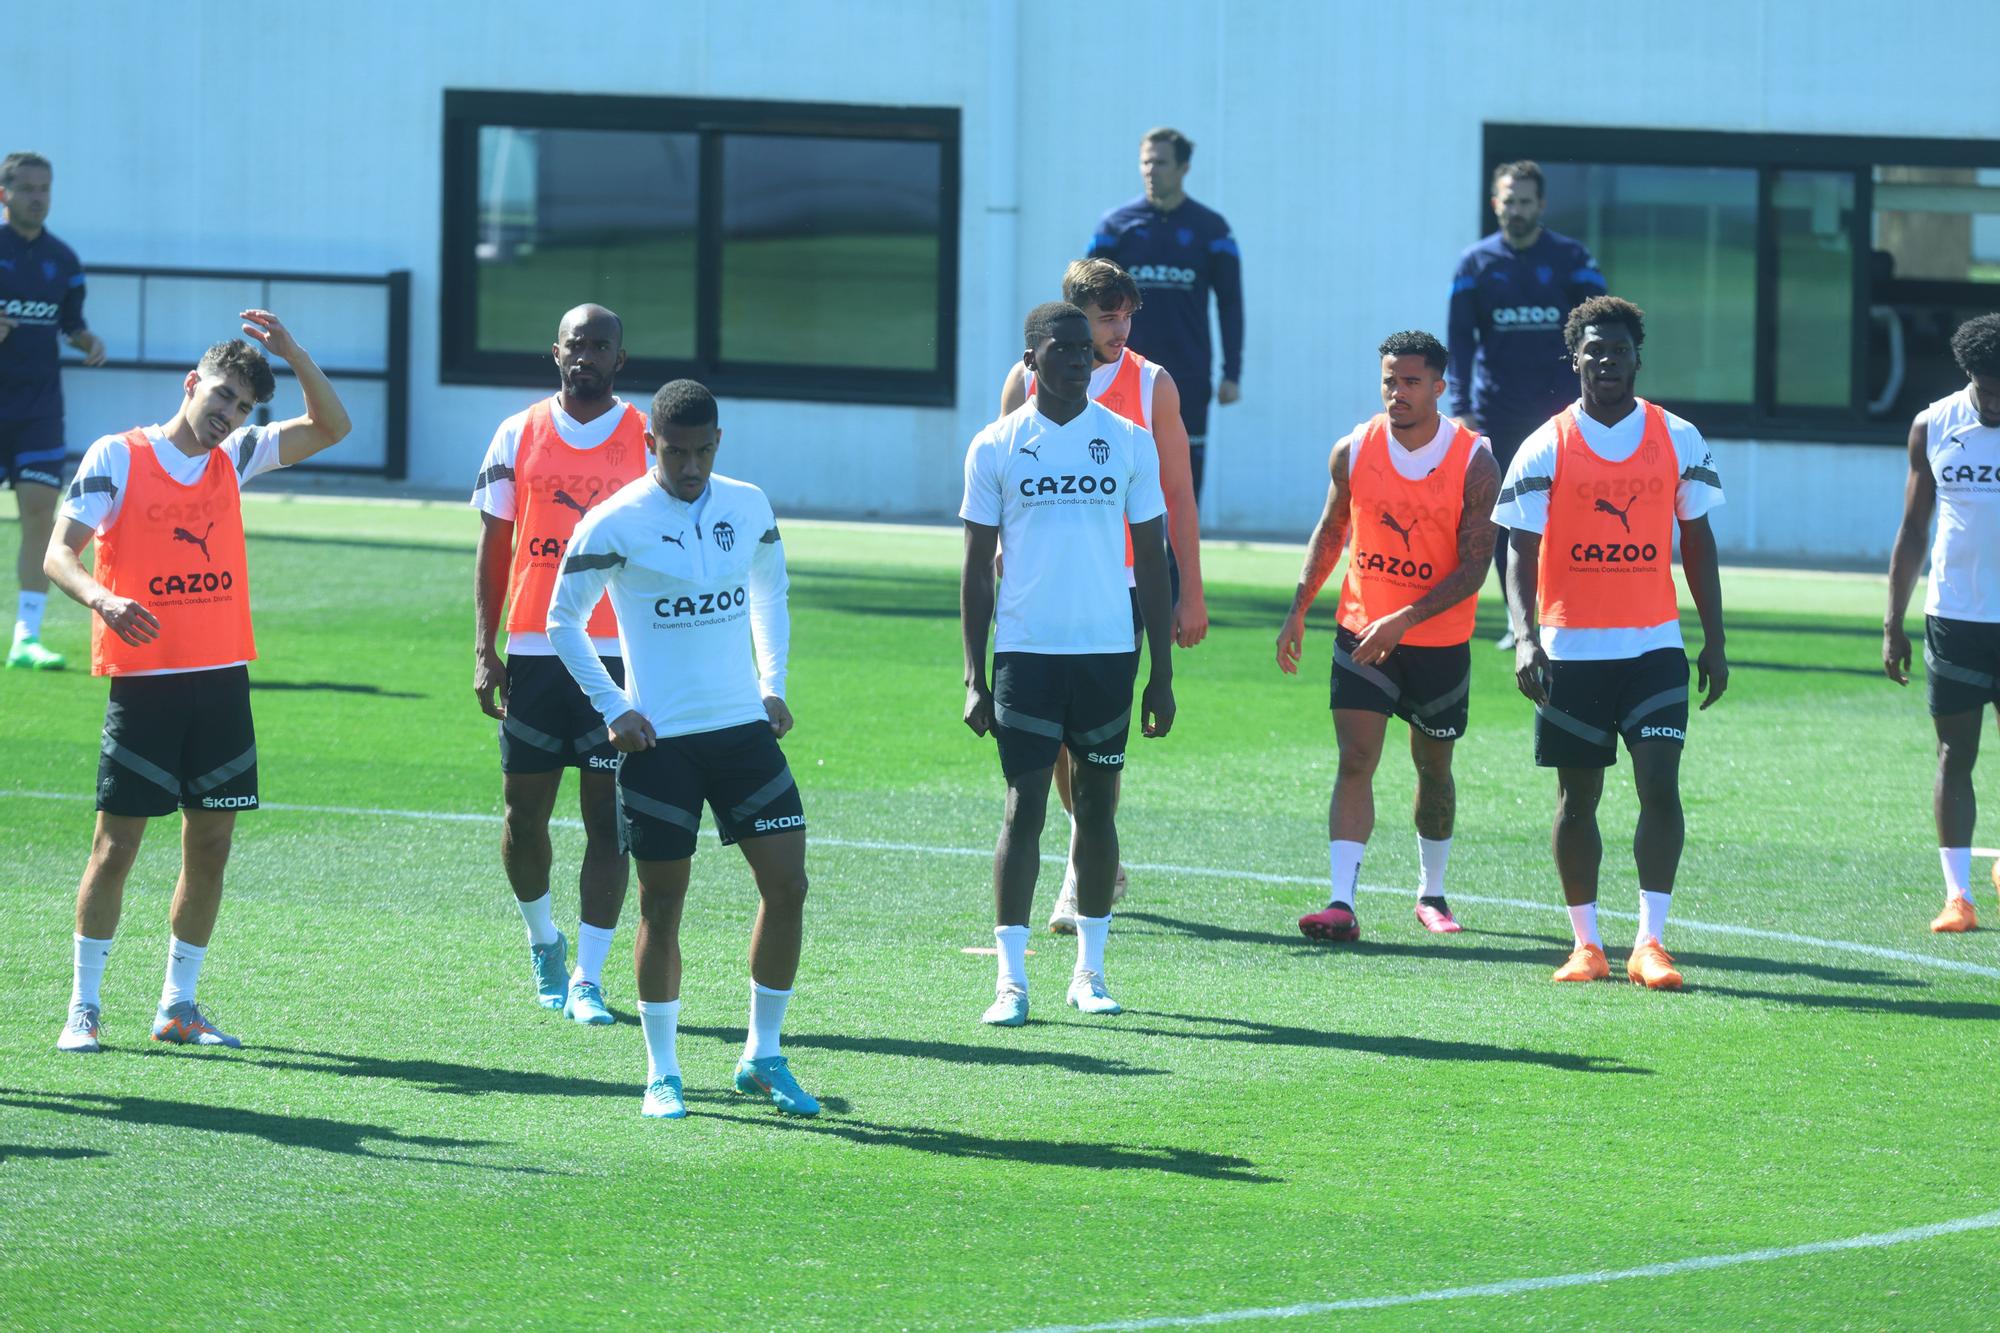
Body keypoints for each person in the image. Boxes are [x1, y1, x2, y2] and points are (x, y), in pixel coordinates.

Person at [46, 314, 349, 1052]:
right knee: (115, 848)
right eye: (222, 397)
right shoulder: (118, 454)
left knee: (210, 845)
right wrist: (103, 599)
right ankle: (83, 1008)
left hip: (220, 683)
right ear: (192, 383)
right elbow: (59, 553)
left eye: (244, 407)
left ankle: (177, 1005)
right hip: (145, 684)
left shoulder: (237, 456)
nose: (230, 416)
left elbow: (332, 426)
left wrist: (296, 354)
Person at [548, 378, 816, 1121]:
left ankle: (763, 1055)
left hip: (742, 733)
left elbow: (770, 590)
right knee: (662, 904)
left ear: (718, 443)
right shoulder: (615, 521)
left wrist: (772, 682)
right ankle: (662, 1073)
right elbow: (561, 619)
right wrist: (616, 707)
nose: (690, 465)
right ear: (650, 445)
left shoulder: (748, 504)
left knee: (788, 885)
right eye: (676, 451)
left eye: (702, 450)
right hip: (660, 742)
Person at [1494, 295, 1726, 990]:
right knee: (1577, 798)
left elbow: (1699, 542)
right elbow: (1518, 550)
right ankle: (1586, 942)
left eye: (1618, 351)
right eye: (1593, 351)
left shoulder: (1677, 436)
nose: (1607, 362)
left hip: (1654, 647)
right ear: (1575, 361)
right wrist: (1526, 637)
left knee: (1660, 785)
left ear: (1636, 359)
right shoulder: (1546, 443)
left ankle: (1650, 942)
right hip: (1571, 652)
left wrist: (1714, 640)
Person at [960, 301, 1175, 1026]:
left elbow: (1151, 558)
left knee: (1096, 806)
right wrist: (972, 673)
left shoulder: (1128, 442)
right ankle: (1011, 983)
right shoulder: (995, 444)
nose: (1083, 358)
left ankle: (1090, 971)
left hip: (1109, 653)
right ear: (1032, 359)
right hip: (1025, 652)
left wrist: (1163, 673)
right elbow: (973, 571)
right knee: (1023, 807)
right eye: (1066, 347)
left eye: (1089, 348)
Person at [998, 258, 1207, 934]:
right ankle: (1090, 853)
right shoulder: (1025, 377)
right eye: (1106, 314)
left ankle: (1076, 874)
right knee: (1050, 747)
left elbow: (1177, 493)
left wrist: (1189, 592)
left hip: (1119, 589)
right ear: (1071, 319)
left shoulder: (1152, 385)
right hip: (1041, 589)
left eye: (1126, 314)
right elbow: (1003, 467)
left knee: (1093, 745)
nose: (1119, 327)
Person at [1276, 331, 1499, 940]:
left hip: (1437, 642)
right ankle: (1341, 902)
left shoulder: (1474, 460)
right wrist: (1299, 608)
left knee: (1433, 768)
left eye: (1411, 382)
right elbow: (1331, 530)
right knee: (1355, 761)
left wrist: (1403, 619)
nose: (1397, 393)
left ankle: (1432, 894)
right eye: (1389, 381)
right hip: (1359, 633)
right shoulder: (1354, 449)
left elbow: (1476, 566)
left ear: (1439, 387)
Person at [471, 304, 646, 1023]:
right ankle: (544, 938)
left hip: (617, 656)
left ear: (619, 359)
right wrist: (485, 649)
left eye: (601, 344)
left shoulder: (647, 435)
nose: (587, 354)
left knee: (609, 821)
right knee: (524, 813)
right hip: (536, 651)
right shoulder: (517, 433)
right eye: (577, 343)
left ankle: (589, 976)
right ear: (556, 352)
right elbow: (492, 547)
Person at [1448, 160, 1606, 649]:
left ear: (1541, 205)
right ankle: (1518, 620)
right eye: (1507, 201)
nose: (1515, 210)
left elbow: (1601, 326)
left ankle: (1573, 611)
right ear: (1496, 204)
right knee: (1507, 515)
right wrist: (1461, 404)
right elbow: (1459, 338)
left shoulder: (1570, 258)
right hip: (1499, 412)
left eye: (1524, 201)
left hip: (1564, 414)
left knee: (1572, 514)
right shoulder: (1475, 264)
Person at [1884, 313, 2000, 933]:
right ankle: (1958, 896)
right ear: (1969, 377)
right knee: (1956, 753)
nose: (1995, 403)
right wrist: (1891, 621)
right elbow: (1912, 529)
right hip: (1955, 615)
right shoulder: (1933, 424)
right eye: (1987, 389)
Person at [1087, 127, 1242, 504]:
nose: (1151, 170)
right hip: (1121, 370)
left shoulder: (1211, 229)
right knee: (1115, 466)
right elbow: (1085, 300)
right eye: (1145, 162)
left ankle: (1176, 564)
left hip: (1187, 371)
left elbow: (1230, 302)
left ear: (1184, 168)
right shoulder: (1115, 227)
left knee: (1183, 475)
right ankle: (1121, 559)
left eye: (1160, 162)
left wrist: (1231, 373)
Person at [2, 152, 107, 671]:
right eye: (27, 188)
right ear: (5, 194)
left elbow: (70, 322)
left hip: (39, 409)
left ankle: (26, 636)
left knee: (42, 514)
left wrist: (87, 339)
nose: (38, 197)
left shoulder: (62, 260)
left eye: (45, 188)